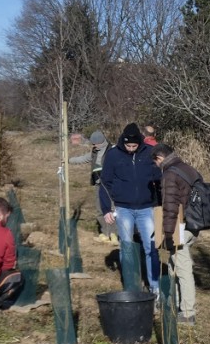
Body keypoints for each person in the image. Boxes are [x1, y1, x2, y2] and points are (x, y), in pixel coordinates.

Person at [99, 123, 164, 294]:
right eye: (128, 145)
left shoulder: (149, 153)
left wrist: (160, 204)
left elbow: (159, 178)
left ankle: (155, 287)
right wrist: (106, 209)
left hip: (146, 207)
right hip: (123, 208)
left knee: (151, 246)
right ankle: (130, 285)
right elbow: (105, 182)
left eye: (134, 146)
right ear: (123, 142)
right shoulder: (113, 155)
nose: (131, 149)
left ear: (140, 143)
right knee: (127, 246)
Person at [153, 142, 201, 326]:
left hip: (179, 225)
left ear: (159, 158)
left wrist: (167, 233)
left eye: (155, 163)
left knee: (182, 268)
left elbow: (170, 208)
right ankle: (174, 303)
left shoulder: (169, 174)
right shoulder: (187, 168)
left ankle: (188, 313)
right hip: (194, 223)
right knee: (174, 264)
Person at [69, 130, 117, 242]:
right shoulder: (94, 152)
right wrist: (68, 160)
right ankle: (105, 233)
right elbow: (83, 158)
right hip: (98, 184)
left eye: (94, 144)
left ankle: (114, 233)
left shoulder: (113, 151)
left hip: (111, 185)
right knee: (100, 209)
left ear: (100, 142)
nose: (93, 146)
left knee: (112, 209)